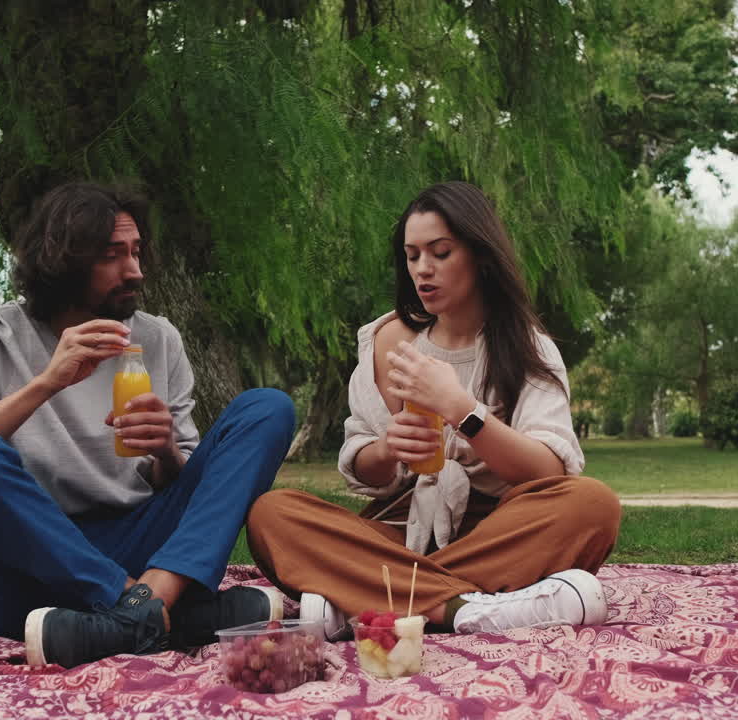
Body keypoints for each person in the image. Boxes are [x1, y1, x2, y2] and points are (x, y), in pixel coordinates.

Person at [0, 181, 295, 668]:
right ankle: (161, 613)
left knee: (267, 408)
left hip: (135, 546)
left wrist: (167, 451)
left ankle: (142, 605)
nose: (136, 270)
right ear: (62, 259)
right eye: (113, 255)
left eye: (136, 252)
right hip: (24, 560)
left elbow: (192, 491)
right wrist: (45, 383)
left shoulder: (156, 338)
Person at [247, 182, 620, 639]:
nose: (423, 269)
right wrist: (387, 450)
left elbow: (550, 471)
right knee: (271, 514)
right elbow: (364, 468)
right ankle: (469, 609)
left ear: (480, 256)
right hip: (402, 531)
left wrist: (463, 410)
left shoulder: (526, 346)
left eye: (440, 253)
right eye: (412, 255)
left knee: (592, 504)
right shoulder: (388, 343)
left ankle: (361, 597)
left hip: (500, 531)